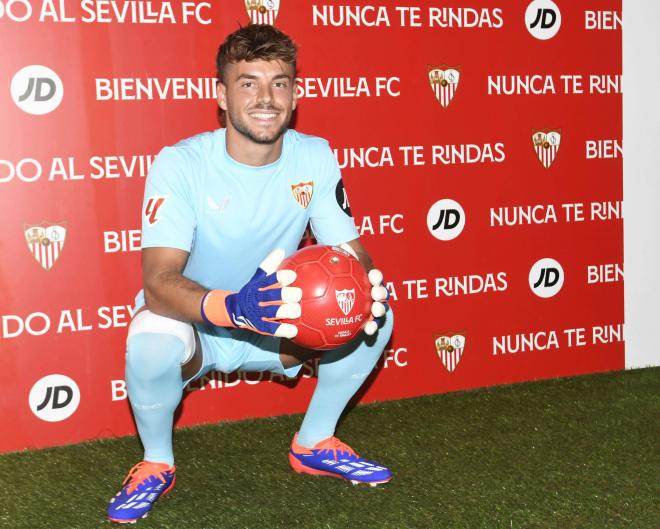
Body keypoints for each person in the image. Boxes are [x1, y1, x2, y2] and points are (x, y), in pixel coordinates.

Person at [107, 24, 393, 524]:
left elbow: (352, 253)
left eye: (279, 82)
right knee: (149, 340)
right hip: (198, 324)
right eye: (248, 82)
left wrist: (366, 285)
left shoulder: (315, 155)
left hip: (276, 327)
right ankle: (156, 462)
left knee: (377, 317)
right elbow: (158, 283)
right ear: (221, 95)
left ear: (295, 94)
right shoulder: (180, 163)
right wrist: (231, 305)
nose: (266, 97)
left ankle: (313, 444)